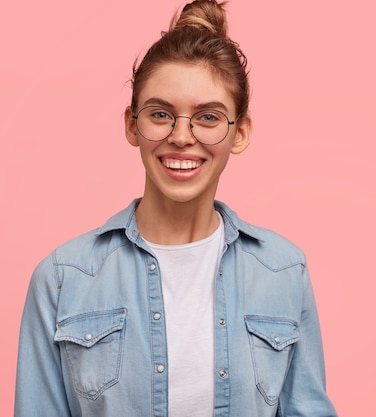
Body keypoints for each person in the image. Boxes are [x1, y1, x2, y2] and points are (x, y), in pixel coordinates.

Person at [14, 1, 337, 416]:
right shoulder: (62, 280)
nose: (181, 137)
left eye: (208, 117)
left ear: (241, 133)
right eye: (161, 113)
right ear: (132, 124)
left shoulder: (284, 272)